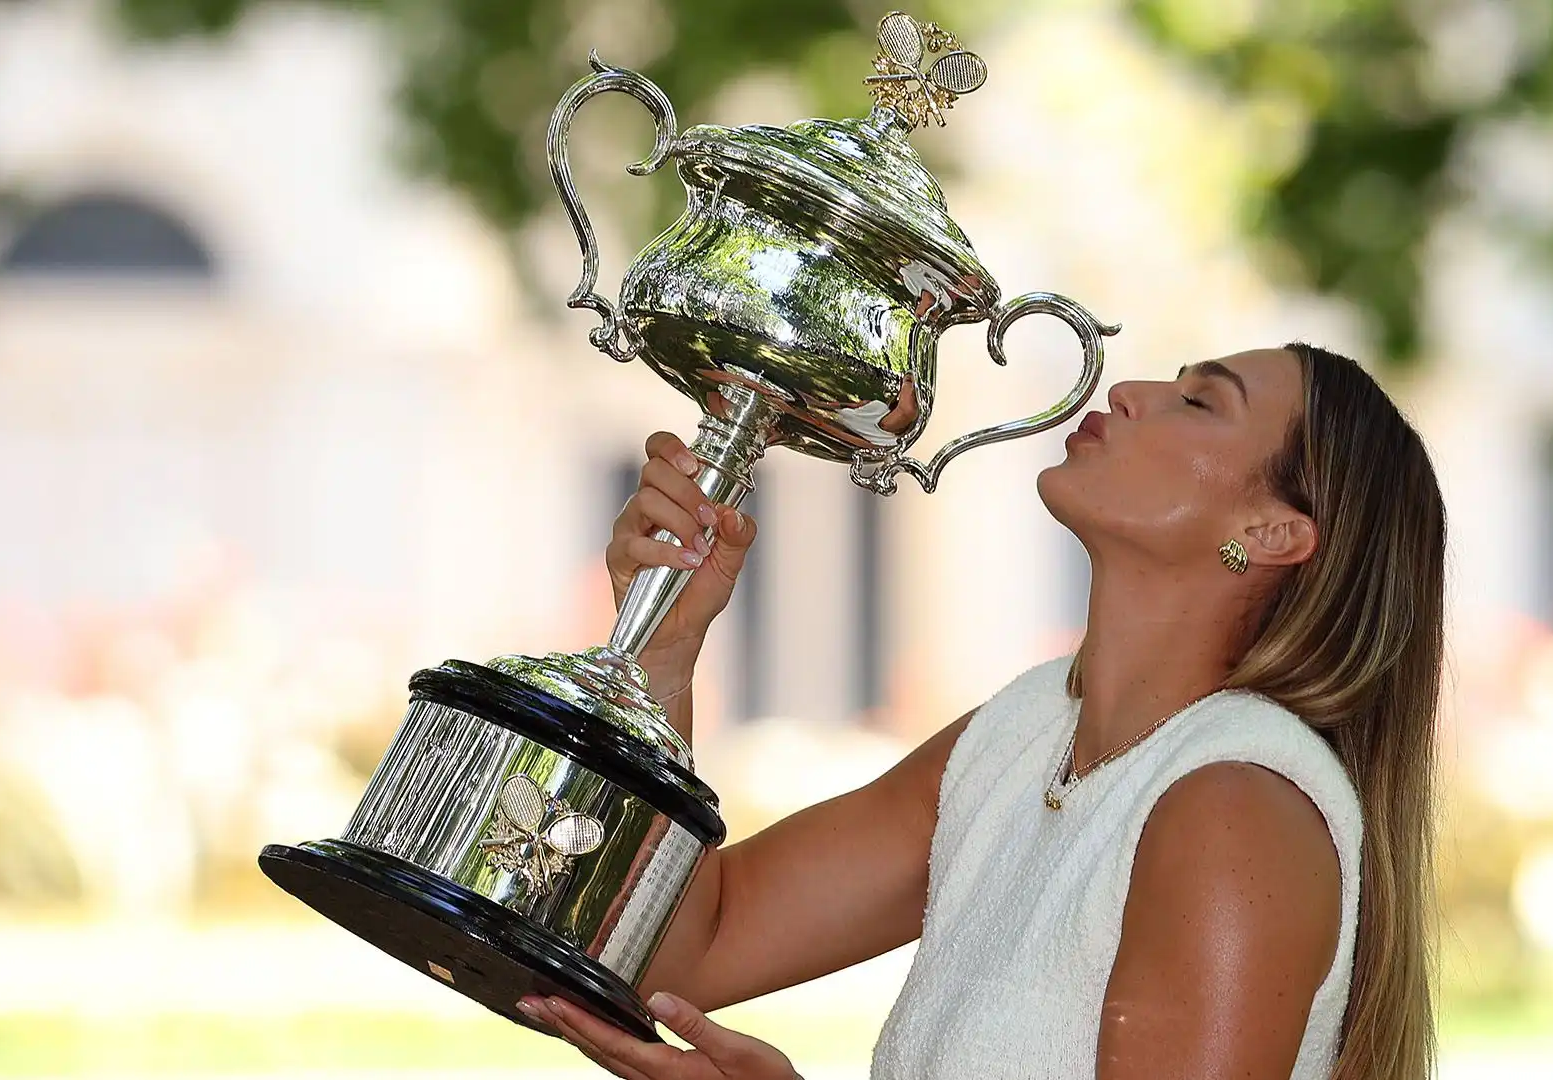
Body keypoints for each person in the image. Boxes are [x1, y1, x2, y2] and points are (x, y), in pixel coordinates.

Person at [515, 343, 1446, 1080]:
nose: (1128, 391)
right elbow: (693, 948)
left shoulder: (1233, 807)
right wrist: (667, 652)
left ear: (1270, 533)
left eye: (1200, 401)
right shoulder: (1024, 734)